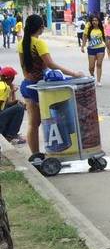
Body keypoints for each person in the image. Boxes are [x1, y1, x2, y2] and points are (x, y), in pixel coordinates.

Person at [18, 15, 83, 154]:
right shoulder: (39, 43)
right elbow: (50, 64)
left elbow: (24, 67)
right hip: (41, 87)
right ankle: (59, 151)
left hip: (27, 85)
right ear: (41, 27)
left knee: (33, 124)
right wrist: (74, 74)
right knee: (53, 119)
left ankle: (35, 155)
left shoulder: (21, 43)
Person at [0, 67, 26, 145]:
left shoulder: (4, 85)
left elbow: (7, 103)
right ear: (11, 78)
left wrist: (13, 93)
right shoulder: (3, 87)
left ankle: (7, 132)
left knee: (17, 106)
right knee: (19, 108)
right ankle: (11, 135)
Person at [81, 15, 106, 86]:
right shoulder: (88, 28)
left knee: (99, 64)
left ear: (98, 21)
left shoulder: (102, 28)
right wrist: (83, 46)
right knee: (91, 67)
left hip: (100, 48)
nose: (94, 22)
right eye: (93, 20)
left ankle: (98, 81)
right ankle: (92, 76)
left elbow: (105, 38)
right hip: (91, 49)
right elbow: (85, 37)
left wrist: (108, 47)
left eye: (96, 20)